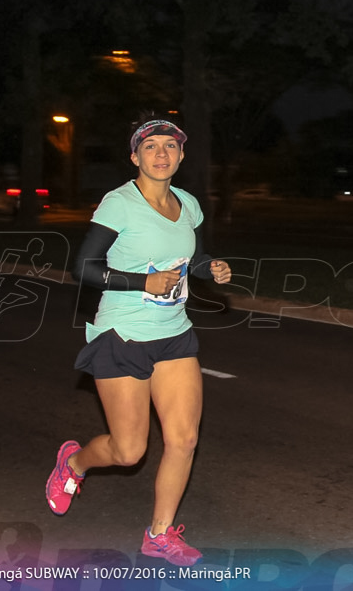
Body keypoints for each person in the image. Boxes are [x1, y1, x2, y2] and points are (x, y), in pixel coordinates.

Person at [46, 116, 231, 566]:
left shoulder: (188, 204)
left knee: (183, 440)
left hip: (174, 336)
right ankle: (73, 465)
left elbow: (194, 256)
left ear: (182, 155)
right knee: (129, 452)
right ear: (135, 157)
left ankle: (159, 535)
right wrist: (141, 282)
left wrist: (210, 269)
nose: (162, 153)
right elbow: (84, 268)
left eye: (170, 146)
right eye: (151, 147)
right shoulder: (119, 203)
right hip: (122, 335)